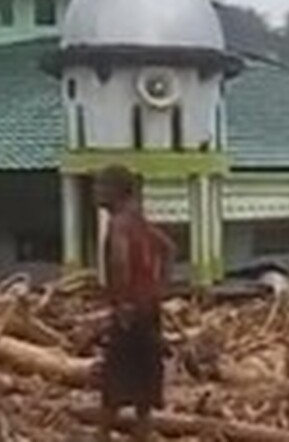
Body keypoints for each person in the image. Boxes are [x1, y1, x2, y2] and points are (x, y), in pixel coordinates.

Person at [94, 165, 174, 442]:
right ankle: (143, 435)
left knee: (114, 381)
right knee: (145, 383)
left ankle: (101, 435)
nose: (95, 193)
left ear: (116, 191)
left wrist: (122, 303)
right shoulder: (139, 221)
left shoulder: (118, 224)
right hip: (149, 309)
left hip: (130, 312)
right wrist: (160, 288)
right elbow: (168, 249)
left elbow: (119, 261)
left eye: (101, 187)